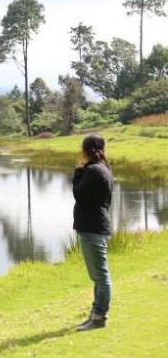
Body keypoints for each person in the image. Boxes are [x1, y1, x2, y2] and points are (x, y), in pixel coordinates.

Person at [72, 133, 114, 331]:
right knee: (98, 276)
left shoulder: (93, 170)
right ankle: (95, 314)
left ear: (86, 150)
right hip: (95, 227)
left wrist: (77, 172)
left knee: (101, 277)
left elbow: (79, 194)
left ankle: (98, 318)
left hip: (93, 229)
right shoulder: (102, 168)